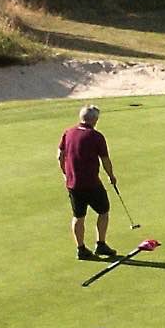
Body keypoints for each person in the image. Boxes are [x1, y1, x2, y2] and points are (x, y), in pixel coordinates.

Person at [58, 104, 121, 260]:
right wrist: (111, 176)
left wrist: (65, 173)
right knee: (104, 211)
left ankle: (81, 249)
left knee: (78, 216)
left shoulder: (68, 133)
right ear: (93, 120)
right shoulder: (96, 136)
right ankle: (101, 244)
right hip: (91, 183)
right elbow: (105, 160)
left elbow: (60, 155)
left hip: (73, 184)